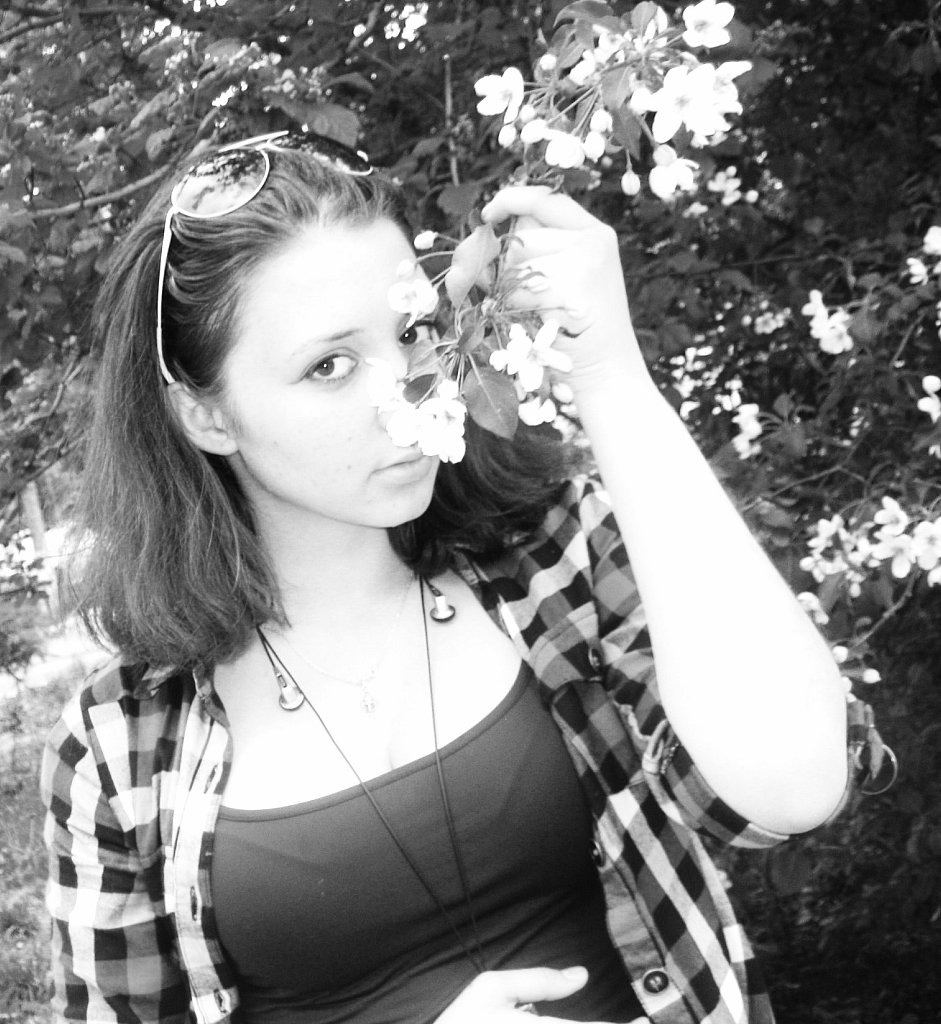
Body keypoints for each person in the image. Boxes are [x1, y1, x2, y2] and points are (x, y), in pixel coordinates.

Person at [41, 129, 860, 1024]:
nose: (412, 389)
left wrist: (609, 375)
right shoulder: (119, 743)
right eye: (329, 366)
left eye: (414, 331)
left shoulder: (556, 556)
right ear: (206, 416)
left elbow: (794, 786)